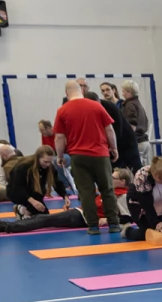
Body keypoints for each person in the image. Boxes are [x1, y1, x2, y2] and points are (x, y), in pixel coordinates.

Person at [54, 80, 120, 235]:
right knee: (107, 189)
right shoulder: (96, 106)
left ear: (66, 93)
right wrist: (114, 148)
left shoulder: (62, 110)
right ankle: (114, 223)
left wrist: (60, 156)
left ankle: (92, 226)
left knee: (86, 192)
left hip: (78, 156)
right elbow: (109, 129)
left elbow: (59, 137)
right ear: (81, 91)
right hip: (100, 154)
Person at [0, 148, 85, 236]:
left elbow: (57, 182)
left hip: (34, 193)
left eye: (49, 162)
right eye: (45, 162)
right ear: (38, 158)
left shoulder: (48, 167)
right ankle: (8, 222)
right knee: (43, 219)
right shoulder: (24, 167)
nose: (48, 164)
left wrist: (64, 196)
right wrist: (31, 200)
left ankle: (19, 213)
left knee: (43, 216)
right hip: (16, 192)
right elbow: (17, 187)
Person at [123, 156, 162, 242]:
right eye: (160, 178)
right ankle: (128, 231)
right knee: (150, 233)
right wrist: (156, 223)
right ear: (153, 174)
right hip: (140, 203)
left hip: (161, 202)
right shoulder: (142, 175)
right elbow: (147, 205)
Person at [90, 92, 142, 174]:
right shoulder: (93, 109)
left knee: (133, 169)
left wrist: (111, 146)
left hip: (126, 142)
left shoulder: (110, 108)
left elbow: (117, 130)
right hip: (113, 143)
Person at [121, 80, 151, 160]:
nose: (122, 94)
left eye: (123, 91)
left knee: (134, 167)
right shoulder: (138, 103)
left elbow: (132, 124)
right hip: (144, 141)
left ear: (129, 92)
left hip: (137, 142)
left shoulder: (129, 104)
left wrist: (127, 140)